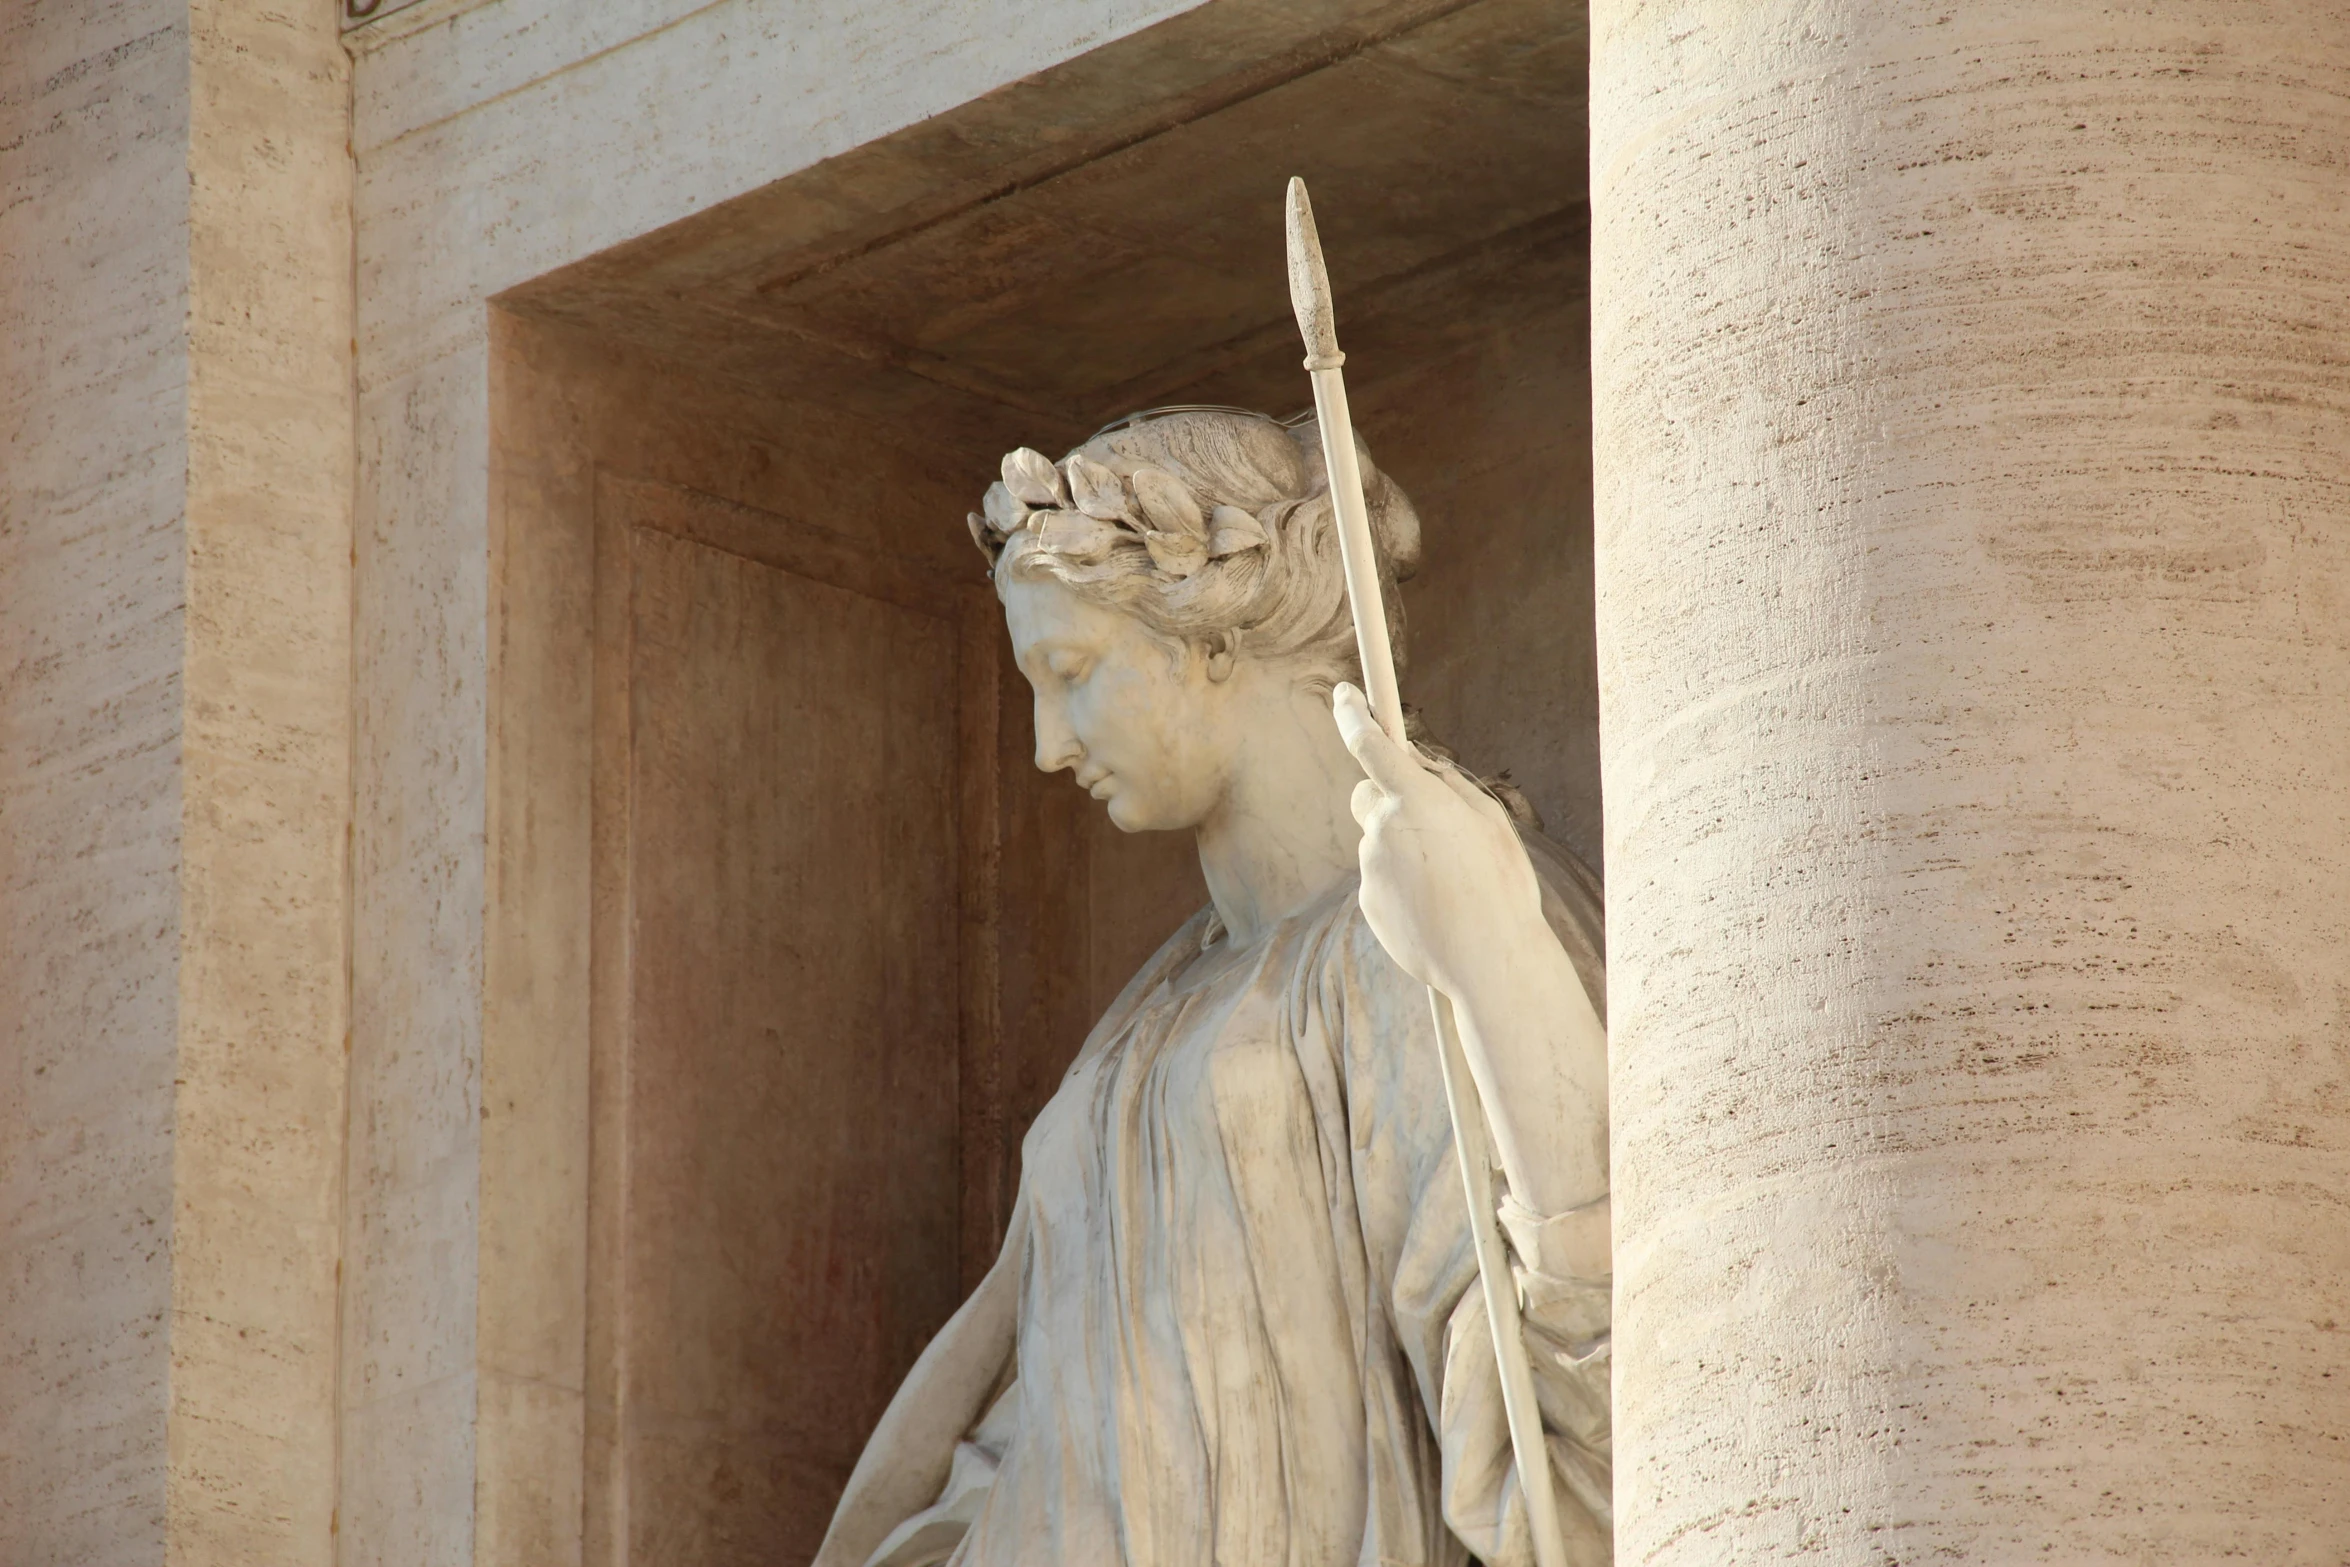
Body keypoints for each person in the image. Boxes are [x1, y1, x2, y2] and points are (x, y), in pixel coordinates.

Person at [814, 408, 1612, 1567]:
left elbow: (1571, 1405)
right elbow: (1037, 1437)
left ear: (1217, 640)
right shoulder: (1144, 1017)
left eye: (1071, 672)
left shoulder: (1427, 923)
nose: (1044, 744)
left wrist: (1497, 970)